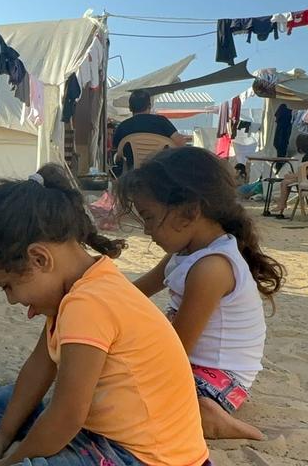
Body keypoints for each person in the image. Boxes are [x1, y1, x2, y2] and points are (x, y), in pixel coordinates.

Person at [0, 165, 209, 466]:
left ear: (39, 258)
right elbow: (38, 368)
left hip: (145, 457)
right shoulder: (83, 286)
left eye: (7, 285)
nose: (11, 299)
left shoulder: (88, 304)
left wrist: (10, 462)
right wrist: (3, 435)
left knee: (43, 427)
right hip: (105, 432)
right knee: (13, 402)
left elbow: (67, 416)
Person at [116, 146, 286, 441]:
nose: (146, 231)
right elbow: (132, 295)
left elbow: (176, 348)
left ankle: (209, 418)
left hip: (218, 381)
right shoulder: (184, 253)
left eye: (149, 217)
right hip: (191, 366)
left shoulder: (212, 268)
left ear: (189, 212)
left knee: (118, 400)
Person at [111, 91, 190, 175]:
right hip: (160, 174)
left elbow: (116, 150)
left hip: (132, 176)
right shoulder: (161, 121)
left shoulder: (123, 126)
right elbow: (180, 143)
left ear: (130, 108)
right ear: (150, 106)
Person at [269, 134, 308, 218]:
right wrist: (294, 176)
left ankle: (282, 203)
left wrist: (293, 176)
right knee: (286, 182)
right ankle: (282, 203)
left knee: (284, 182)